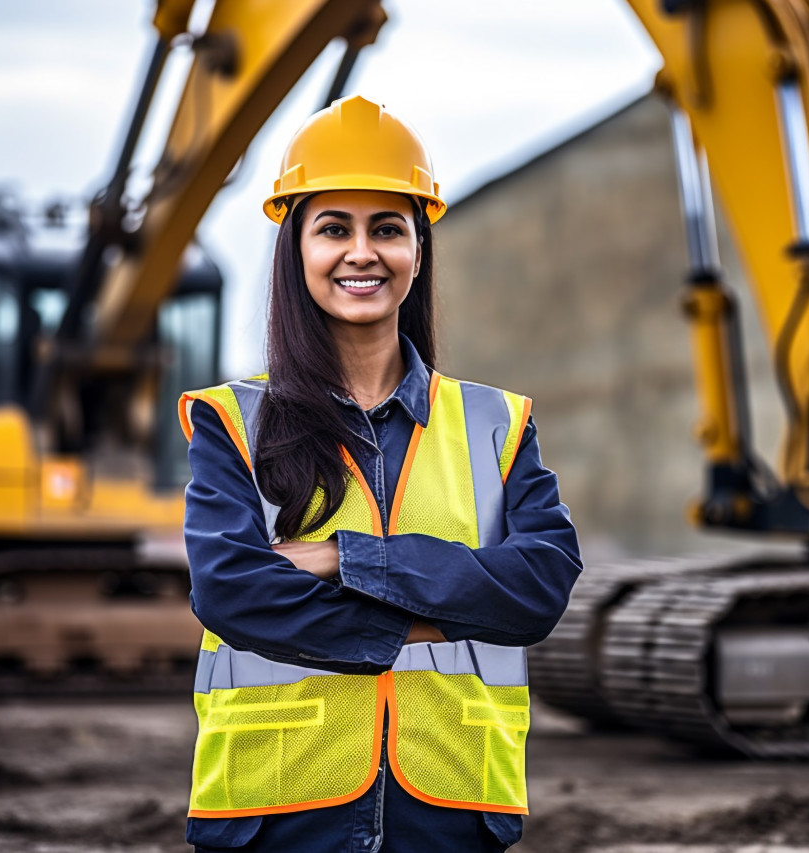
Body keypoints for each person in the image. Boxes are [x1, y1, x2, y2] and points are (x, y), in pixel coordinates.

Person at [177, 95, 583, 852]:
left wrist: (345, 558)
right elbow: (232, 589)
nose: (361, 252)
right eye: (334, 228)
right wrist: (440, 614)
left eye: (387, 229)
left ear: (418, 250)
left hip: (452, 811)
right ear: (295, 248)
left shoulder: (497, 423)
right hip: (279, 812)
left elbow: (539, 585)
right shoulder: (232, 421)